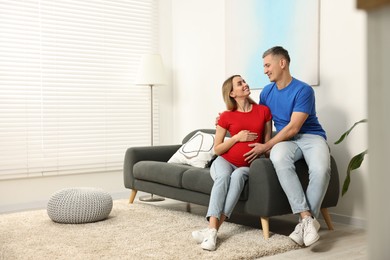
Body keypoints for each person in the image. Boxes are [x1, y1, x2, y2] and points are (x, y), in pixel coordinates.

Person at [244, 46, 331, 247]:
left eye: (267, 65)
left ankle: (303, 224)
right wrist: (229, 110)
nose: (265, 70)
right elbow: (259, 115)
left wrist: (265, 146)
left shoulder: (303, 90)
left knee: (321, 170)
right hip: (285, 142)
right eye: (264, 66)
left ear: (282, 63)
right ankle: (307, 218)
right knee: (278, 158)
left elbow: (293, 127)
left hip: (311, 137)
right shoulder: (267, 92)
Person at [192, 75, 272, 251]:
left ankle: (210, 231)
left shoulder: (263, 111)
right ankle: (212, 232)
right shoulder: (226, 116)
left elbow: (267, 145)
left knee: (237, 177)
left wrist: (269, 162)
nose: (245, 84)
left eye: (244, 81)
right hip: (224, 161)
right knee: (223, 178)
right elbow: (217, 149)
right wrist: (237, 137)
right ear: (231, 93)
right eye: (240, 83)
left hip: (247, 167)